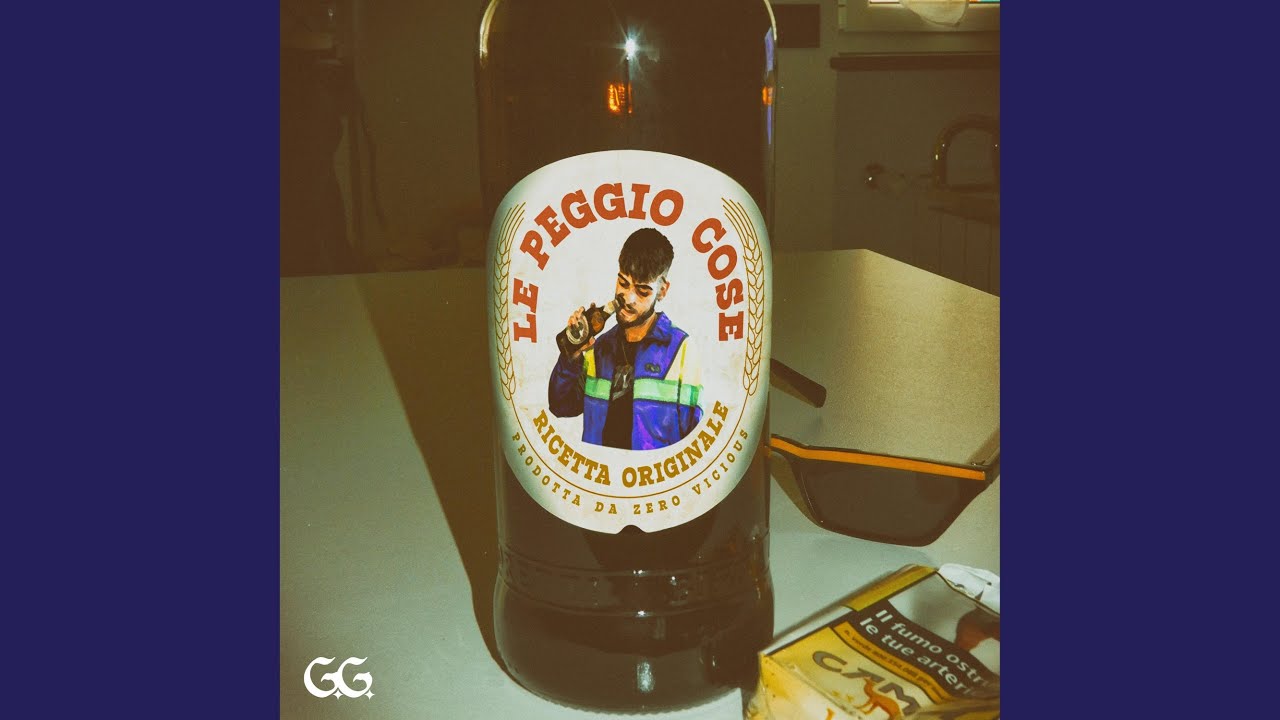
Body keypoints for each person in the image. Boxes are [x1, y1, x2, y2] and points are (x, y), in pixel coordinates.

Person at [548, 228, 702, 450]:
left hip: (652, 473)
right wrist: (571, 358)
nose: (628, 298)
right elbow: (560, 406)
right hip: (600, 472)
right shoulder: (598, 346)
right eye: (623, 283)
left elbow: (695, 439)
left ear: (662, 291)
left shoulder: (681, 349)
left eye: (642, 291)